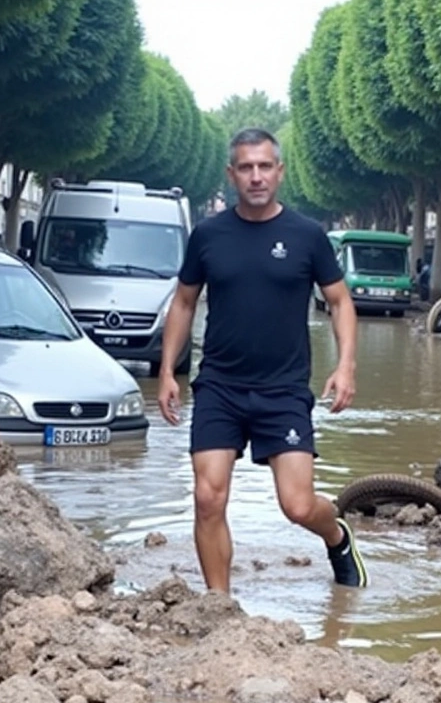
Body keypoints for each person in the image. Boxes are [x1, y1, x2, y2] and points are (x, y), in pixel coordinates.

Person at [156, 127, 366, 594]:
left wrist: (346, 364)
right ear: (232, 175)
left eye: (265, 166)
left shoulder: (307, 236)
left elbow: (339, 301)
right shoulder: (208, 235)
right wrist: (168, 370)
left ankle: (336, 535)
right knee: (208, 497)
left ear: (280, 172)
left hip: (284, 388)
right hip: (219, 387)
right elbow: (184, 302)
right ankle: (219, 604)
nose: (256, 176)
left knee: (296, 505)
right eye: (246, 168)